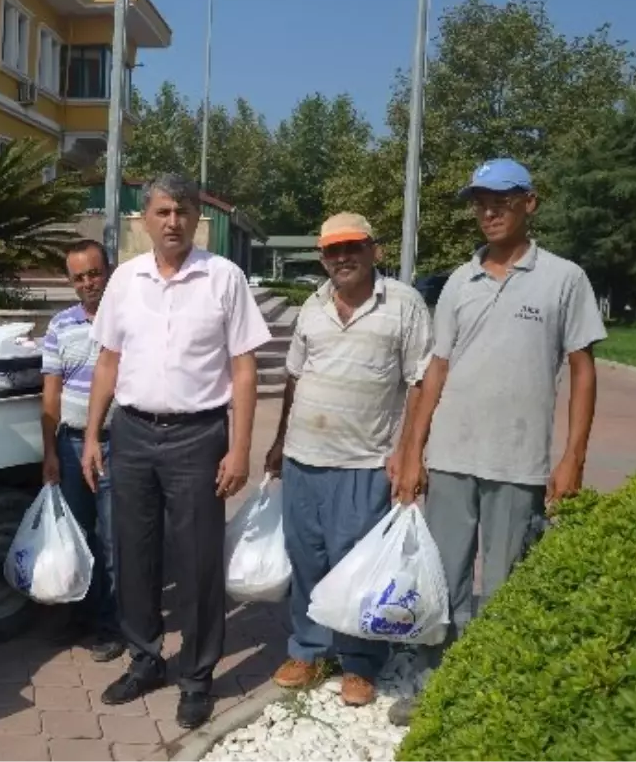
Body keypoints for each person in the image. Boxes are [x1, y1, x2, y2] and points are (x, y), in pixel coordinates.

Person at [388, 158, 606, 725]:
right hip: (453, 458)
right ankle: (436, 688)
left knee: (507, 587)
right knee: (445, 582)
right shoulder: (461, 280)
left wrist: (572, 458)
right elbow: (435, 371)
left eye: (501, 201)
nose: (488, 212)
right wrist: (412, 452)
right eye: (480, 202)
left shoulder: (564, 278)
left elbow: (582, 370)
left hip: (519, 463)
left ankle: (496, 693)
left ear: (529, 203)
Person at [81, 173, 272, 730]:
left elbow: (244, 368)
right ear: (145, 219)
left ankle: (196, 676)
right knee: (134, 553)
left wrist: (240, 449)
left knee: (197, 560)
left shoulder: (223, 278)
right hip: (133, 434)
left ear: (195, 218)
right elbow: (109, 361)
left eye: (182, 212)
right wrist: (94, 434)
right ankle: (145, 659)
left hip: (198, 437)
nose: (172, 222)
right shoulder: (124, 280)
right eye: (162, 212)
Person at [264, 213, 432, 707]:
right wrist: (277, 442)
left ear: (374, 250)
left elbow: (422, 384)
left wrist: (409, 453)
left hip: (365, 463)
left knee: (358, 566)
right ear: (322, 257)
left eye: (352, 247)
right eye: (332, 250)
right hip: (302, 459)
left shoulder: (403, 305)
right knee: (308, 560)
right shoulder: (312, 306)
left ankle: (360, 663)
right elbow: (295, 377)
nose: (342, 258)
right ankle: (309, 650)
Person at [40, 239, 123, 663]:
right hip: (71, 446)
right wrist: (49, 452)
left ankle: (112, 625)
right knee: (75, 537)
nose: (89, 282)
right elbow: (50, 394)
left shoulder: (130, 318)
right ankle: (77, 615)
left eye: (94, 273)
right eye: (79, 277)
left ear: (108, 270)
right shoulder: (60, 326)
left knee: (113, 538)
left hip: (118, 445)